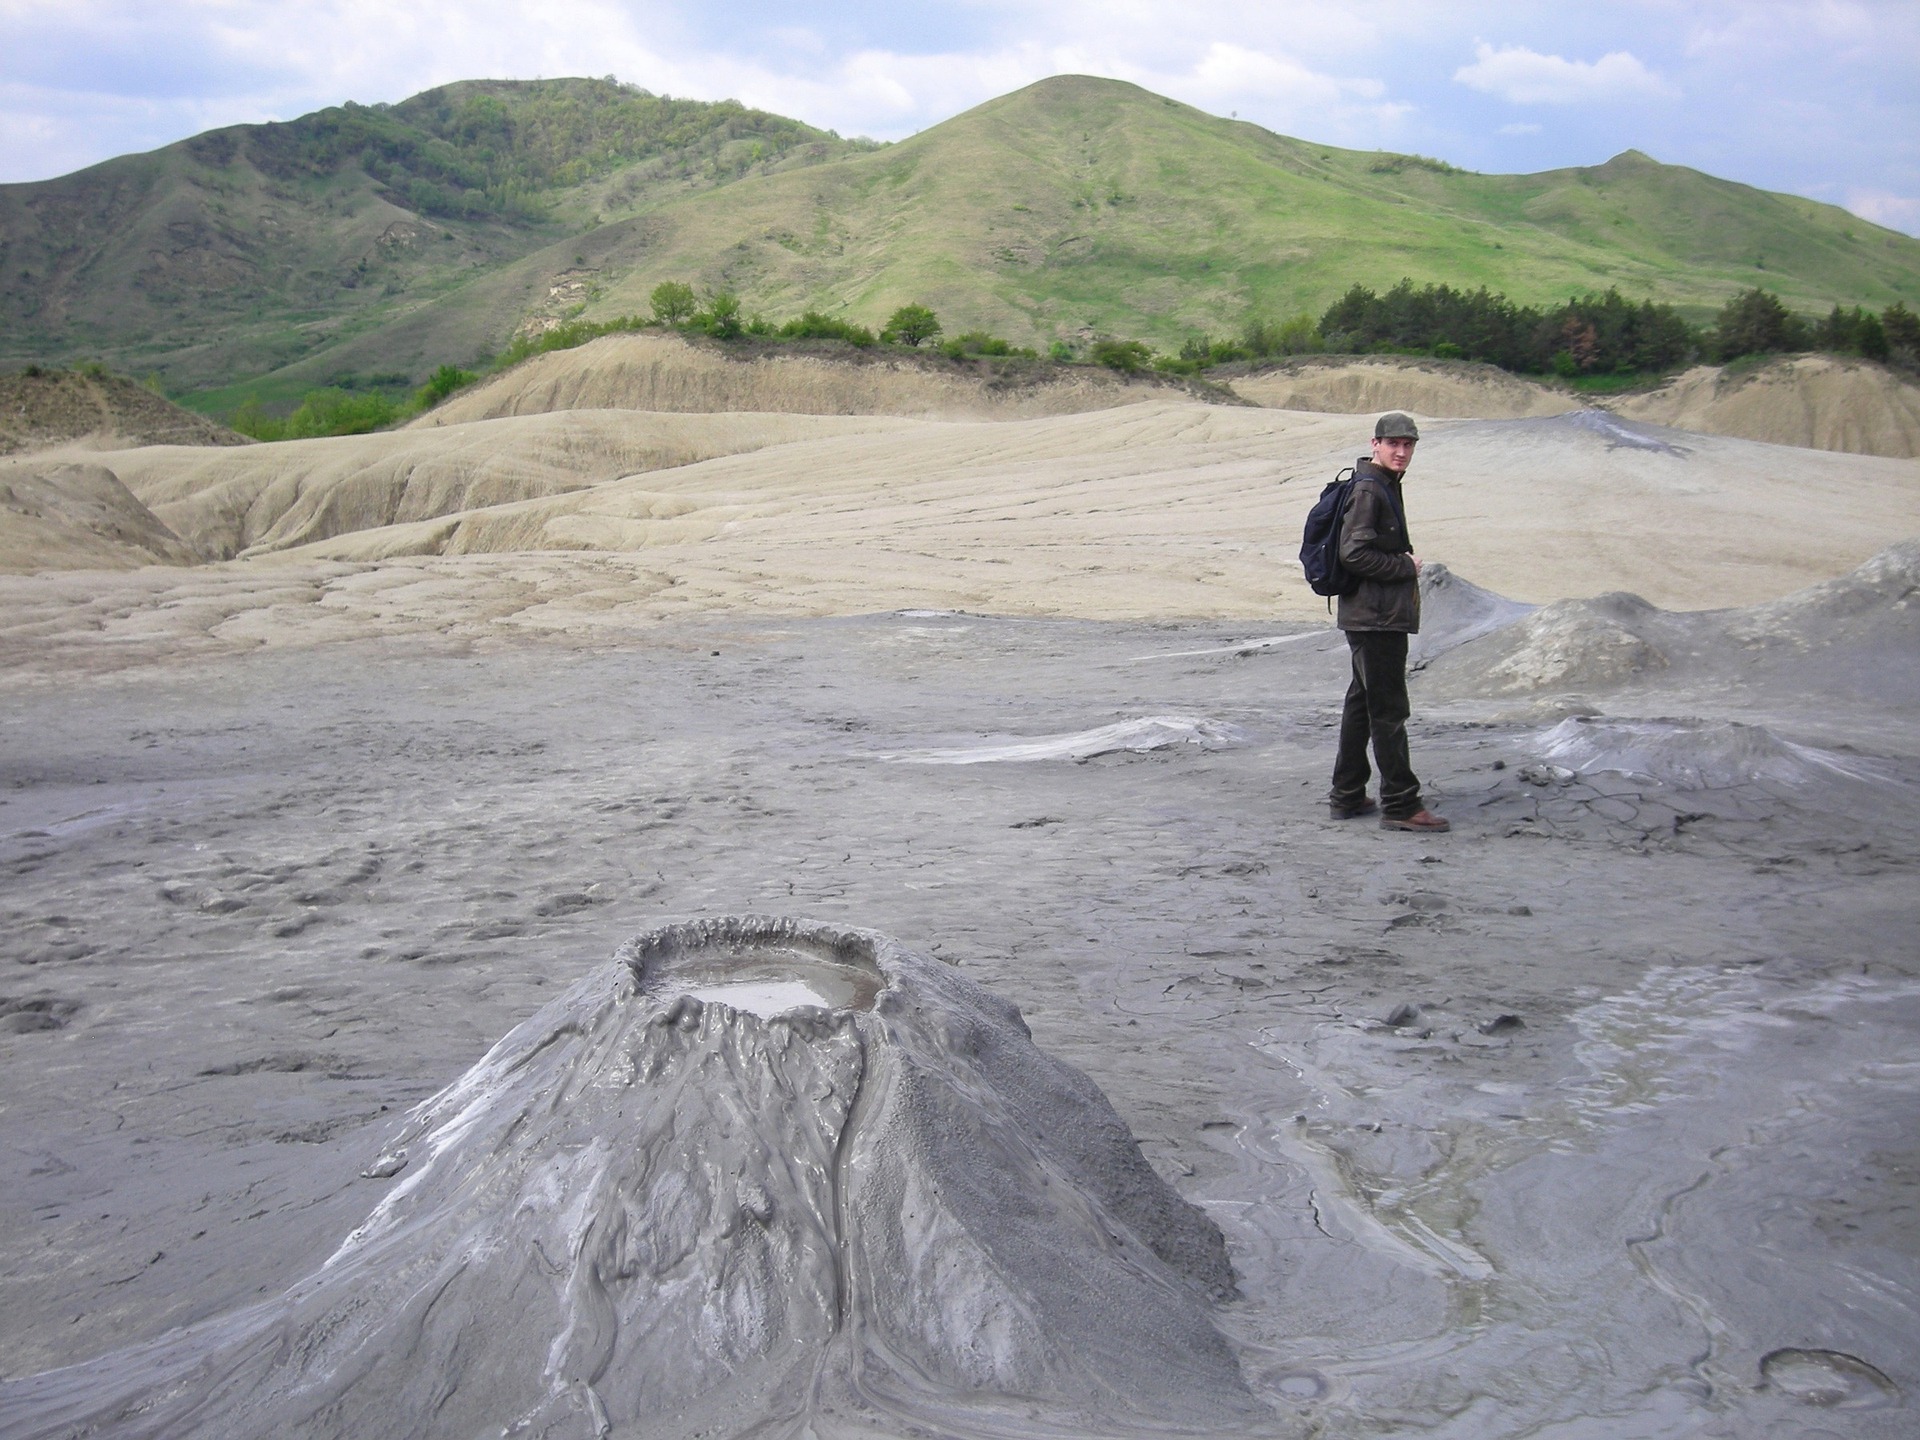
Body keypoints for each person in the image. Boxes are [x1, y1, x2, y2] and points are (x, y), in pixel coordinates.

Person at [1328, 412, 1450, 832]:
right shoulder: (1370, 489)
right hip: (1376, 618)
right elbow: (1353, 554)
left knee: (1362, 705)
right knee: (1389, 710)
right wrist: (1404, 566)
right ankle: (1401, 804)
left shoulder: (1382, 483)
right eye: (1393, 443)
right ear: (1375, 444)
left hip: (1370, 615)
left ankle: (1347, 794)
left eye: (1408, 444)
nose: (1401, 452)